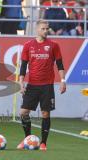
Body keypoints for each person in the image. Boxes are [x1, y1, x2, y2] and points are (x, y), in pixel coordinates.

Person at [17, 20, 66, 151]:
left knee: (45, 113)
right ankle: (28, 139)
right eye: (43, 29)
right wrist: (21, 83)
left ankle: (43, 142)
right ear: (37, 29)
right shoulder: (28, 45)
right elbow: (23, 66)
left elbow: (60, 65)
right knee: (23, 112)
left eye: (47, 29)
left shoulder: (54, 45)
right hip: (32, 85)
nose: (46, 31)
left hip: (47, 86)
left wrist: (62, 80)